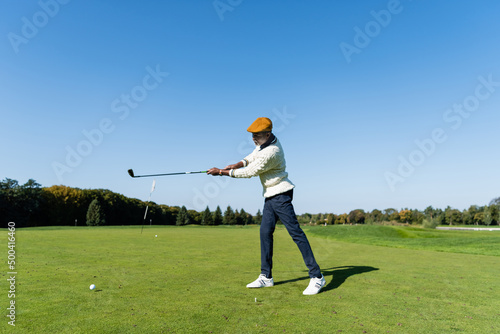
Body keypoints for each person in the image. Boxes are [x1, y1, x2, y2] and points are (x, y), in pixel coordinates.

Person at [207, 117, 325, 295]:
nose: (253, 138)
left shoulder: (272, 151)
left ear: (267, 134)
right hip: (270, 195)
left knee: (295, 233)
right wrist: (236, 164)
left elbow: (250, 172)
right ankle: (266, 277)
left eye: (257, 135)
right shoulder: (264, 143)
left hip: (281, 194)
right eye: (252, 135)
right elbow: (251, 157)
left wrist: (222, 172)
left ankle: (317, 277)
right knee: (265, 232)